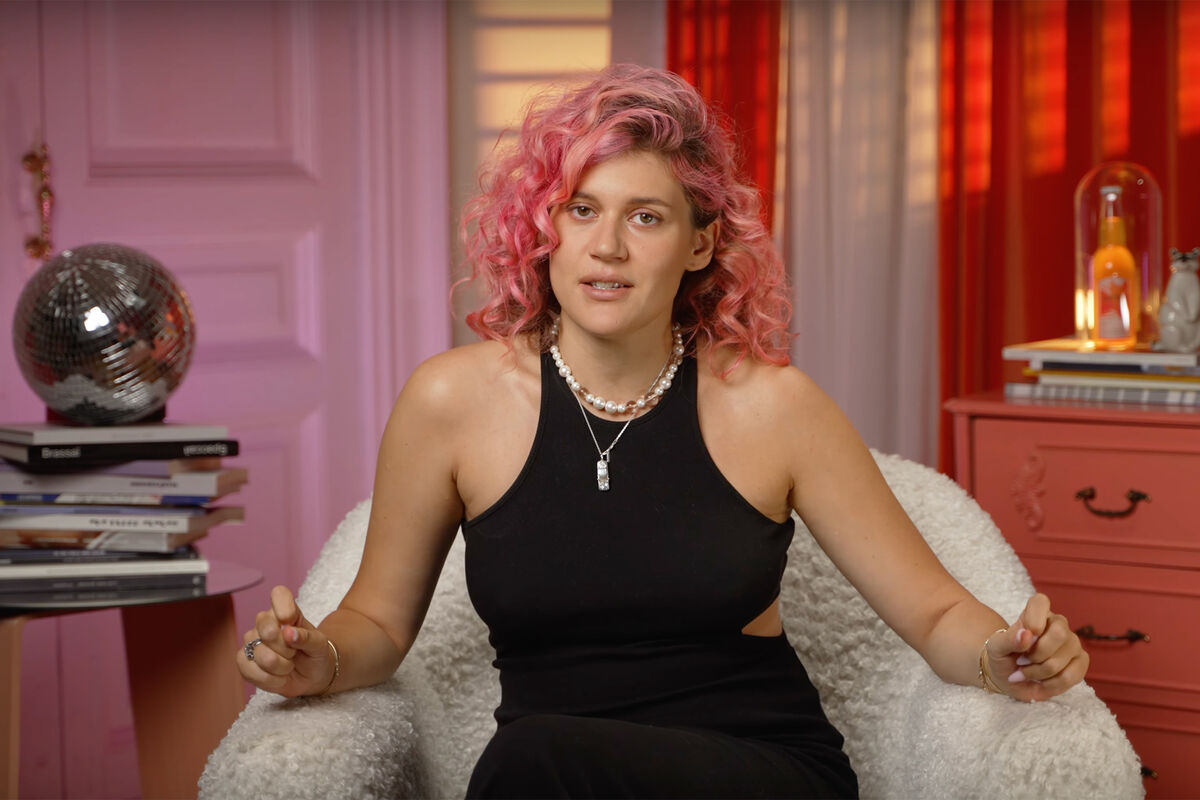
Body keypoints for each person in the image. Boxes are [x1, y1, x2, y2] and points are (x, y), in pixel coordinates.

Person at [236, 64, 1089, 799]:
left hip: (755, 768)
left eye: (645, 216)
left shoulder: (773, 407)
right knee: (539, 758)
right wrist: (319, 660)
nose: (606, 246)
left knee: (531, 757)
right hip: (557, 781)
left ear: (699, 244)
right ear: (543, 229)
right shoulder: (450, 402)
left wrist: (1006, 657)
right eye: (580, 209)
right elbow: (380, 624)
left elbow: (936, 612)